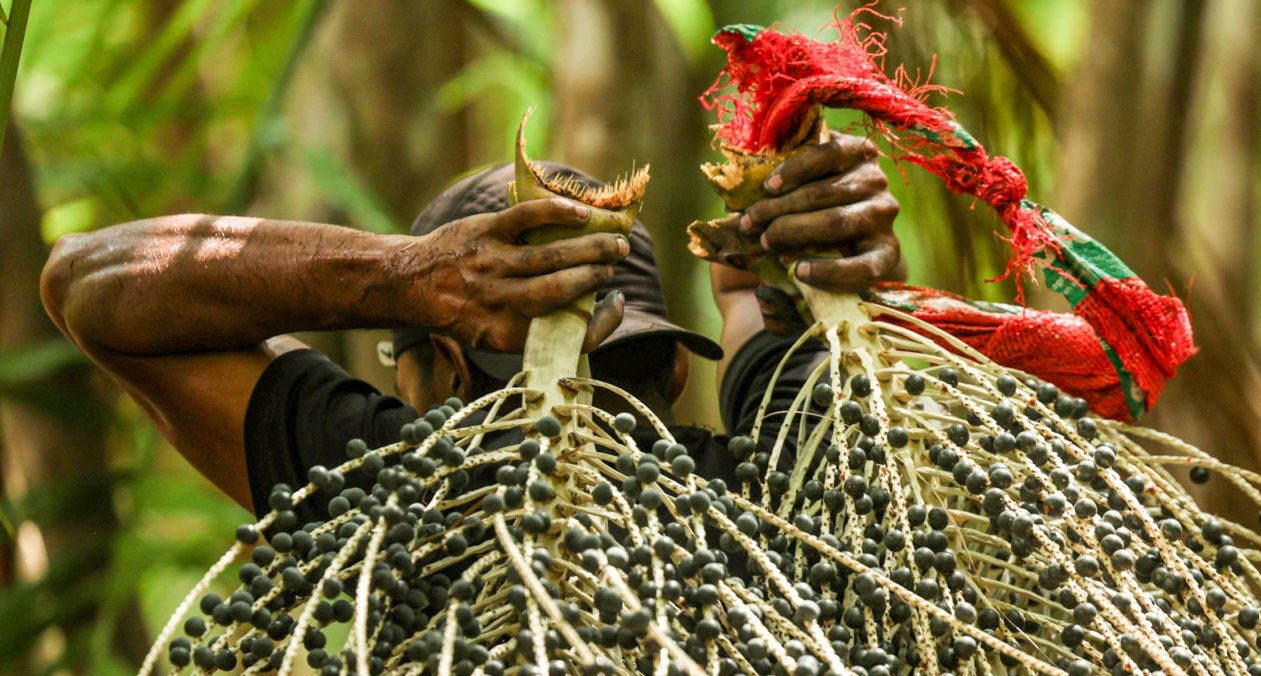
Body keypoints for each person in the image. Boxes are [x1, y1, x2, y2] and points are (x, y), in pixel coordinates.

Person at [40, 133, 903, 516]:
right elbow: (755, 301)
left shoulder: (403, 496)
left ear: (440, 372)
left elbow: (87, 283)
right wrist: (808, 235)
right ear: (675, 373)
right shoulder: (790, 492)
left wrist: (406, 280)